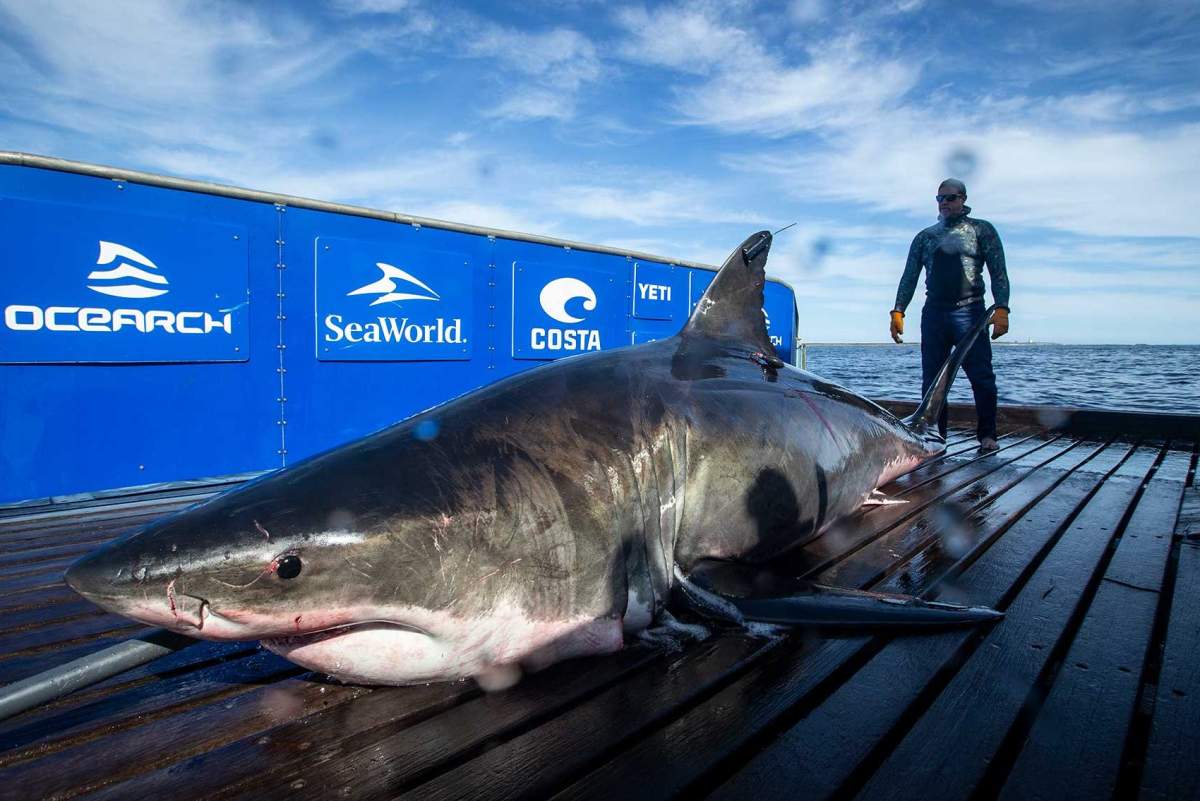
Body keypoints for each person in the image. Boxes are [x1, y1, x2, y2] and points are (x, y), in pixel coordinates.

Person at [889, 178, 1010, 451]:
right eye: (940, 199)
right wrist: (898, 310)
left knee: (982, 377)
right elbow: (909, 277)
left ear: (963, 199)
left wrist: (1002, 307)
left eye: (951, 197)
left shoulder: (982, 230)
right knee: (932, 380)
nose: (945, 203)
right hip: (934, 314)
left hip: (971, 313)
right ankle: (935, 437)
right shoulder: (925, 237)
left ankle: (988, 436)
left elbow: (998, 272)